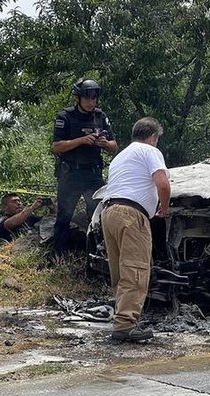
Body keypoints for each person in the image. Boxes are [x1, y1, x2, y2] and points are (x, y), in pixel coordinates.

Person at [101, 117, 170, 342]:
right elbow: (162, 183)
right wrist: (164, 209)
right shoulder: (149, 151)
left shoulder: (121, 156)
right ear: (152, 137)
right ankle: (125, 325)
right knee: (136, 270)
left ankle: (121, 318)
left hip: (108, 212)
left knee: (120, 272)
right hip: (132, 215)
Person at [52, 78, 117, 257]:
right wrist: (81, 141)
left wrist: (104, 143)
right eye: (87, 98)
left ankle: (96, 256)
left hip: (93, 174)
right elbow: (56, 146)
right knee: (64, 216)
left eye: (94, 98)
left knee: (97, 216)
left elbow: (114, 147)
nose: (91, 102)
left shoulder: (100, 116)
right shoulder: (65, 116)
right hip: (70, 174)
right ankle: (58, 257)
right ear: (78, 98)